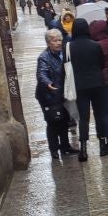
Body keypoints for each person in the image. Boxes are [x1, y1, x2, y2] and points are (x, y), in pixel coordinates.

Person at [68, 17, 108, 161]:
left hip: (80, 86)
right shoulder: (95, 45)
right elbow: (102, 64)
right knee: (101, 114)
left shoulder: (69, 47)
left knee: (83, 117)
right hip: (98, 84)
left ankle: (83, 148)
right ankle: (104, 145)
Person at [35, 29, 75, 160]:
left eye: (60, 40)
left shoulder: (64, 53)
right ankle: (54, 149)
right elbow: (41, 73)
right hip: (48, 95)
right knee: (53, 121)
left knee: (64, 120)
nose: (58, 43)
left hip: (62, 93)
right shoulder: (44, 57)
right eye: (55, 41)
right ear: (48, 43)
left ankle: (65, 146)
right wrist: (48, 83)